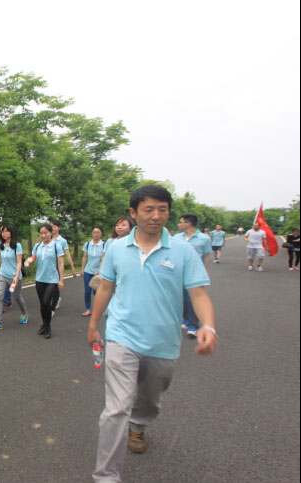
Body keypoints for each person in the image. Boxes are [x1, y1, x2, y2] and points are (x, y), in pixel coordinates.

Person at [87, 185, 217, 483]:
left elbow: (198, 294)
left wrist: (207, 326)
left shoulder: (183, 251)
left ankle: (140, 423)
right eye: (148, 209)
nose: (156, 216)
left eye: (162, 209)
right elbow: (106, 287)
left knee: (149, 399)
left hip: (163, 342)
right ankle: (105, 476)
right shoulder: (118, 248)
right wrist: (94, 325)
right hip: (121, 335)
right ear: (133, 213)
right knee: (116, 407)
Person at [174, 214, 212, 337]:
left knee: (193, 299)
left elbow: (206, 255)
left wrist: (206, 271)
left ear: (188, 223)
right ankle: (186, 319)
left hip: (194, 273)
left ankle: (194, 325)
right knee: (182, 298)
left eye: (181, 222)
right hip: (179, 272)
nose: (179, 225)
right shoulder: (177, 237)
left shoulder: (204, 238)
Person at [26, 224, 64, 339]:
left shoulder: (56, 245)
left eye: (46, 233)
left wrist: (61, 280)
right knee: (42, 304)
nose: (43, 235)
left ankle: (48, 327)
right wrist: (29, 261)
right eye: (41, 233)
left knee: (47, 302)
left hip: (52, 279)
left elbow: (61, 263)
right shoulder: (37, 246)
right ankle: (44, 325)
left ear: (51, 233)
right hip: (39, 279)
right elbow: (33, 257)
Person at [0, 224, 28, 330]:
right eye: (2, 232)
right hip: (2, 274)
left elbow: (19, 262)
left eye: (6, 231)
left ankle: (24, 313)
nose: (4, 233)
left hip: (14, 276)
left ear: (11, 232)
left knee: (17, 297)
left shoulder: (17, 245)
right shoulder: (0, 244)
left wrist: (16, 276)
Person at [49, 219, 79, 313]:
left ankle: (53, 306)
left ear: (59, 228)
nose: (52, 228)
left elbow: (67, 255)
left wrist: (73, 268)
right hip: (48, 266)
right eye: (51, 226)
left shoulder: (62, 241)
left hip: (57, 266)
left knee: (55, 286)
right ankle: (55, 298)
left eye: (54, 226)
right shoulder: (47, 238)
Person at [80, 226, 105, 317]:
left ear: (101, 233)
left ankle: (99, 308)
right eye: (94, 232)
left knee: (96, 291)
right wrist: (82, 270)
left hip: (98, 272)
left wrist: (100, 270)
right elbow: (85, 257)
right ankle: (88, 309)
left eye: (98, 232)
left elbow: (103, 258)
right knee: (87, 291)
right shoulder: (87, 244)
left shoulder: (104, 245)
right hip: (87, 271)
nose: (95, 234)